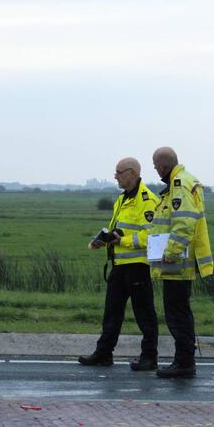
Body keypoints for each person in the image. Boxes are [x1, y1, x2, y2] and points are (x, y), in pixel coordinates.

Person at [78, 157, 160, 371]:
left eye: (119, 172)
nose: (115, 176)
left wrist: (122, 241)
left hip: (138, 266)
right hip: (120, 265)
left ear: (132, 173)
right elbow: (118, 229)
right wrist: (103, 240)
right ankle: (104, 353)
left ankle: (149, 357)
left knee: (145, 314)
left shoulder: (147, 200)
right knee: (111, 312)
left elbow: (152, 234)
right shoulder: (122, 199)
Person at [150, 147, 214, 378]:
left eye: (156, 166)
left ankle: (184, 363)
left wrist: (172, 252)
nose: (155, 170)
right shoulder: (184, 180)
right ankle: (184, 361)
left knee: (177, 314)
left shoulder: (179, 185)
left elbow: (184, 223)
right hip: (180, 261)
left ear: (164, 166)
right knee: (180, 312)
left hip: (178, 263)